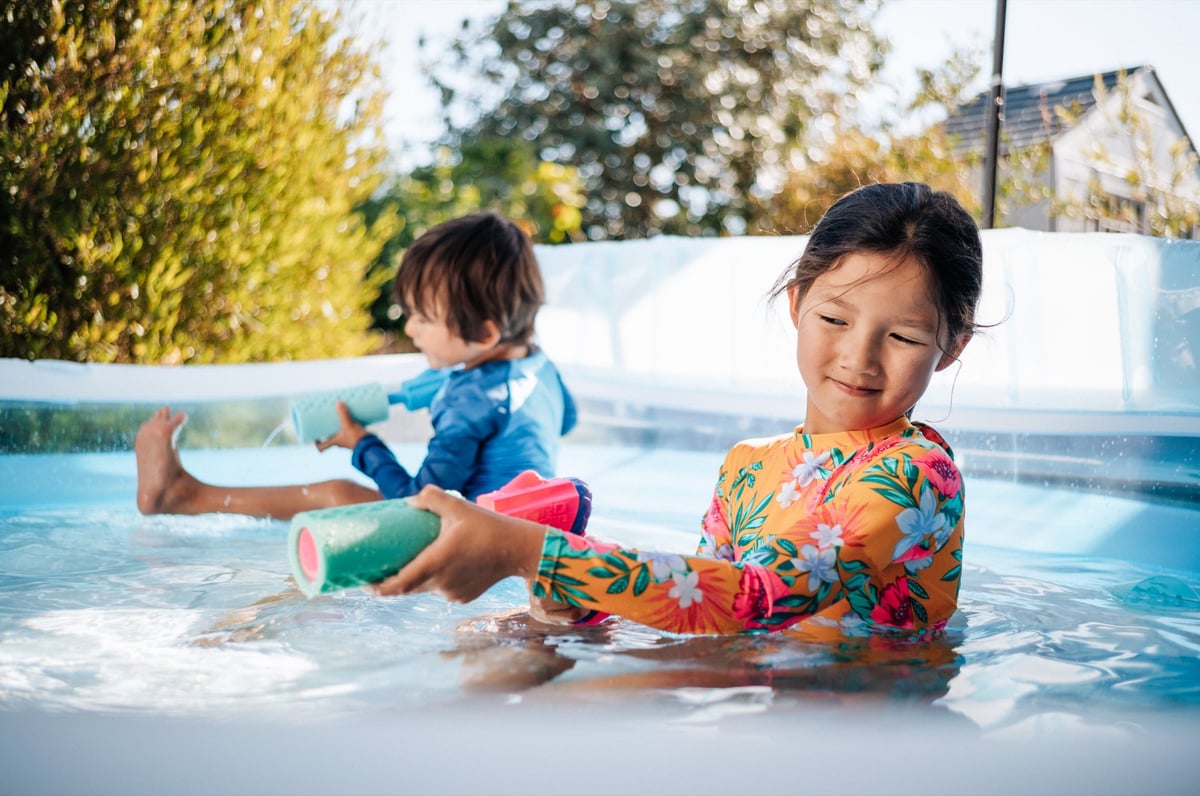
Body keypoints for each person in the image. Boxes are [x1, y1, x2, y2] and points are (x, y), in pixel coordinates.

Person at [374, 182, 984, 638]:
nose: (860, 357)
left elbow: (751, 599)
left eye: (901, 337)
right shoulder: (749, 466)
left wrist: (528, 549)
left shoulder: (915, 473)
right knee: (498, 640)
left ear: (951, 346)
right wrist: (575, 602)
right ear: (797, 305)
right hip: (757, 699)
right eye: (834, 319)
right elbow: (700, 606)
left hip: (860, 735)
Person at [135, 211, 577, 520]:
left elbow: (418, 499)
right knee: (342, 497)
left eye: (423, 318)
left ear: (484, 334)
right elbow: (565, 420)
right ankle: (184, 492)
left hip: (471, 544)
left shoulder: (467, 404)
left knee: (336, 495)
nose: (412, 329)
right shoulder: (541, 368)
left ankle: (184, 496)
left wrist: (361, 443)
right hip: (527, 530)